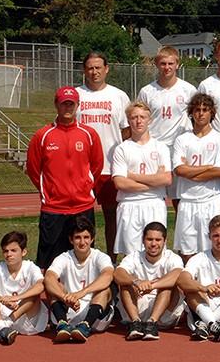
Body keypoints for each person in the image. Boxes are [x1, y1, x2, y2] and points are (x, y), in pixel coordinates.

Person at [26, 86, 103, 270]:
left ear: (77, 105)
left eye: (71, 104)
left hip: (82, 206)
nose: (67, 108)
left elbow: (97, 166)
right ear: (56, 105)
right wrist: (50, 192)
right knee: (50, 261)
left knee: (84, 258)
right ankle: (53, 298)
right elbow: (34, 169)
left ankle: (84, 295)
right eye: (63, 104)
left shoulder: (89, 135)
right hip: (54, 208)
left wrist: (85, 188)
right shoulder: (42, 136)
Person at [76, 51, 130, 259]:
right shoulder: (76, 95)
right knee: (82, 220)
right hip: (82, 170)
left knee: (112, 216)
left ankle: (110, 260)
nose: (94, 72)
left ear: (106, 69)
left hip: (110, 167)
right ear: (84, 70)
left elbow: (126, 130)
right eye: (90, 68)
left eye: (98, 67)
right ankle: (86, 260)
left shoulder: (118, 96)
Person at [136, 46, 198, 207]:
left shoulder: (189, 90)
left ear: (177, 64)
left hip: (179, 148)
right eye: (163, 63)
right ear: (157, 64)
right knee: (154, 195)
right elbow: (140, 118)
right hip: (154, 147)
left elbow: (197, 118)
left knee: (180, 198)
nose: (167, 67)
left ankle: (180, 232)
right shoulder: (147, 91)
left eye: (171, 63)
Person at [172, 93, 220, 261]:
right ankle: (190, 287)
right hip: (188, 202)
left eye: (205, 110)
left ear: (212, 113)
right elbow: (179, 170)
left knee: (216, 250)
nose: (201, 113)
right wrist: (207, 167)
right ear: (191, 113)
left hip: (211, 200)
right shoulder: (182, 139)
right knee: (186, 253)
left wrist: (191, 171)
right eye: (197, 110)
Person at [111, 101, 172, 256]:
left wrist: (133, 176)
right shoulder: (122, 149)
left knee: (156, 251)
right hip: (129, 204)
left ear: (149, 119)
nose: (138, 121)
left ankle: (156, 281)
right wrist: (153, 182)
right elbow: (120, 182)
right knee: (131, 255)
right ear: (128, 120)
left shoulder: (160, 147)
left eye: (142, 117)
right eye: (134, 117)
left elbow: (166, 179)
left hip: (154, 203)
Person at [43, 218, 115, 343]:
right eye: (78, 238)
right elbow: (49, 277)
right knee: (52, 285)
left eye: (86, 237)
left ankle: (85, 325)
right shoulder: (63, 257)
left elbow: (108, 276)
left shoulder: (100, 257)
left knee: (105, 290)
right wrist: (65, 297)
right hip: (69, 308)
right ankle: (62, 324)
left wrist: (81, 293)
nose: (82, 242)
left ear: (92, 239)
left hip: (95, 314)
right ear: (71, 240)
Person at [113, 221, 184, 341]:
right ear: (143, 240)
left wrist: (152, 285)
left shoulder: (172, 258)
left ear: (165, 241)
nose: (153, 244)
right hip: (139, 306)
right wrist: (136, 282)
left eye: (158, 240)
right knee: (125, 284)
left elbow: (178, 275)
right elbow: (118, 274)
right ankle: (135, 323)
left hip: (164, 312)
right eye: (149, 239)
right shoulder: (134, 257)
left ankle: (152, 323)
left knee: (167, 286)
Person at [0, 231, 47, 345]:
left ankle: (2, 327)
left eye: (13, 250)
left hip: (25, 316)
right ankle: (1, 327)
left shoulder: (31, 267)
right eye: (5, 251)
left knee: (34, 295)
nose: (9, 254)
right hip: (0, 314)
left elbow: (41, 286)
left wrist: (16, 298)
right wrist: (1, 299)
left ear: (23, 252)